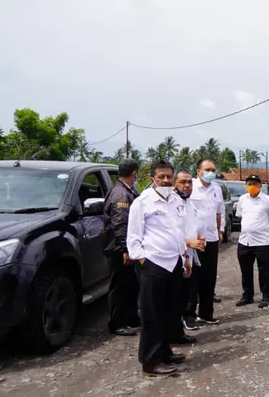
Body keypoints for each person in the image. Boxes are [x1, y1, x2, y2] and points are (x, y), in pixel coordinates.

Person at [126, 160, 197, 377]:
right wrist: (143, 261)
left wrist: (185, 257)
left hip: (173, 263)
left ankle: (165, 352)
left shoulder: (174, 200)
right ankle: (150, 361)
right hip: (154, 265)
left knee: (168, 312)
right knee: (152, 315)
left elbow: (178, 232)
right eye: (161, 177)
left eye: (168, 176)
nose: (165, 180)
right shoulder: (143, 203)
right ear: (152, 179)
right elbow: (134, 237)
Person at [184, 158, 225, 330]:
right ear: (198, 171)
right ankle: (189, 315)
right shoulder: (190, 187)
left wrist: (220, 230)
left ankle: (206, 313)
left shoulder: (217, 188)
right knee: (193, 278)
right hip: (195, 240)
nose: (211, 172)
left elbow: (220, 211)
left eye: (213, 169)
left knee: (209, 277)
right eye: (207, 169)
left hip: (212, 239)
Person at [102, 159, 141, 336]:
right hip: (119, 248)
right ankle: (117, 323)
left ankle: (131, 317)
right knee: (119, 287)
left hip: (123, 247)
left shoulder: (125, 191)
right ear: (134, 174)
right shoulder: (121, 195)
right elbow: (120, 223)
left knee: (130, 285)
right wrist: (126, 249)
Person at [235, 174, 269, 308]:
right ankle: (247, 296)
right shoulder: (242, 199)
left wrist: (262, 226)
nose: (252, 187)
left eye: (255, 184)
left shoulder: (268, 200)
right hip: (244, 241)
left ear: (260, 186)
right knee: (246, 270)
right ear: (246, 186)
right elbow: (240, 215)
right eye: (249, 184)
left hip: (261, 242)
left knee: (264, 270)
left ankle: (266, 296)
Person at [172, 169, 204, 345]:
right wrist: (187, 243)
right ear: (175, 184)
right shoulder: (171, 203)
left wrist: (198, 237)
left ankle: (178, 332)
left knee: (185, 294)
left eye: (189, 182)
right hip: (174, 257)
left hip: (188, 256)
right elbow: (171, 231)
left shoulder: (190, 203)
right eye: (182, 182)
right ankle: (171, 334)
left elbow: (190, 226)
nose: (186, 186)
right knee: (174, 298)